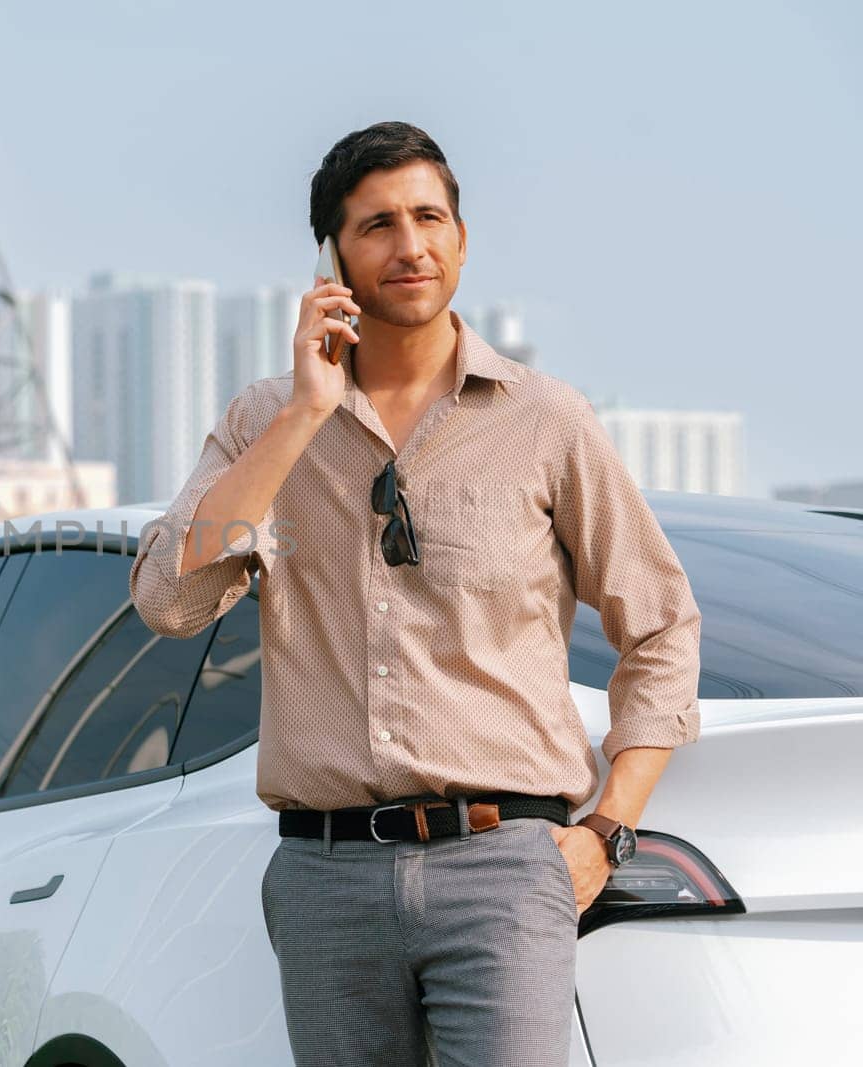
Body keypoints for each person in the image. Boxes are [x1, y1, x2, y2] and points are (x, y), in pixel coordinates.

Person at [127, 120, 702, 1066]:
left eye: (430, 218)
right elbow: (169, 602)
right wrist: (308, 413)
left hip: (504, 870)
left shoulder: (545, 420)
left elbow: (663, 623)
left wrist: (609, 826)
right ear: (331, 257)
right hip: (325, 879)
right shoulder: (261, 421)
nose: (411, 246)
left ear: (463, 240)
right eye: (378, 224)